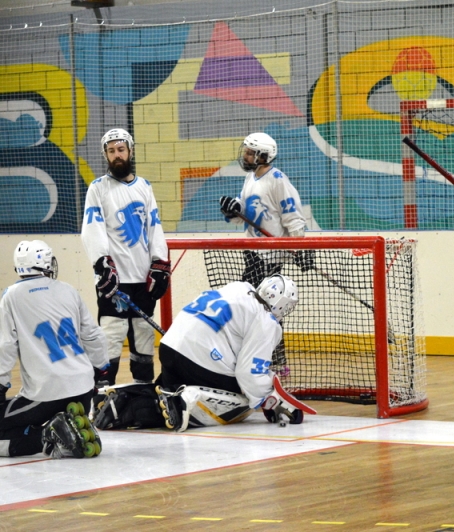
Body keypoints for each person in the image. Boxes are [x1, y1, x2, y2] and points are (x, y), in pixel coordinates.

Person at [92, 274, 315, 432]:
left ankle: (123, 403)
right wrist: (270, 401)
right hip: (199, 359)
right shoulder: (267, 322)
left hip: (170, 346)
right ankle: (184, 402)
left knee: (163, 393)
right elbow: (249, 376)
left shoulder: (239, 287)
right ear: (283, 304)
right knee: (245, 401)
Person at [0, 240, 109, 459]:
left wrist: (1, 385)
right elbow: (93, 335)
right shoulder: (68, 290)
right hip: (83, 388)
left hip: (47, 392)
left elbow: (4, 345)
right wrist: (100, 370)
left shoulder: (10, 295)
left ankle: (48, 434)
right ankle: (66, 426)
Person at [81, 128, 170, 386]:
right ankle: (102, 392)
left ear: (130, 151)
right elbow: (92, 228)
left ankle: (142, 392)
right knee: (111, 335)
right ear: (106, 155)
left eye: (121, 149)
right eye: (111, 151)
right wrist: (101, 264)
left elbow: (154, 227)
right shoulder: (97, 189)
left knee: (143, 337)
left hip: (142, 278)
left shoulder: (144, 187)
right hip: (115, 279)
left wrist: (159, 264)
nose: (117, 155)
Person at [218, 132, 311, 287]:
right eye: (245, 152)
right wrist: (233, 208)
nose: (245, 156)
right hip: (252, 251)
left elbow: (294, 218)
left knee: (251, 299)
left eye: (249, 153)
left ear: (263, 157)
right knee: (249, 299)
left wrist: (300, 249)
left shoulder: (277, 180)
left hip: (269, 257)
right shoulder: (250, 177)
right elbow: (242, 213)